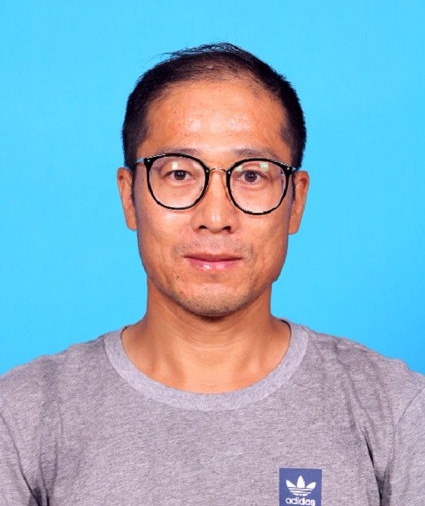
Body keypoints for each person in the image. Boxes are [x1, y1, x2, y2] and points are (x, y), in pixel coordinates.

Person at [0, 43, 424, 506]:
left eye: (252, 175)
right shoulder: (21, 419)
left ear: (296, 201)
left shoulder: (397, 411)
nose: (216, 217)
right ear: (129, 197)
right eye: (179, 174)